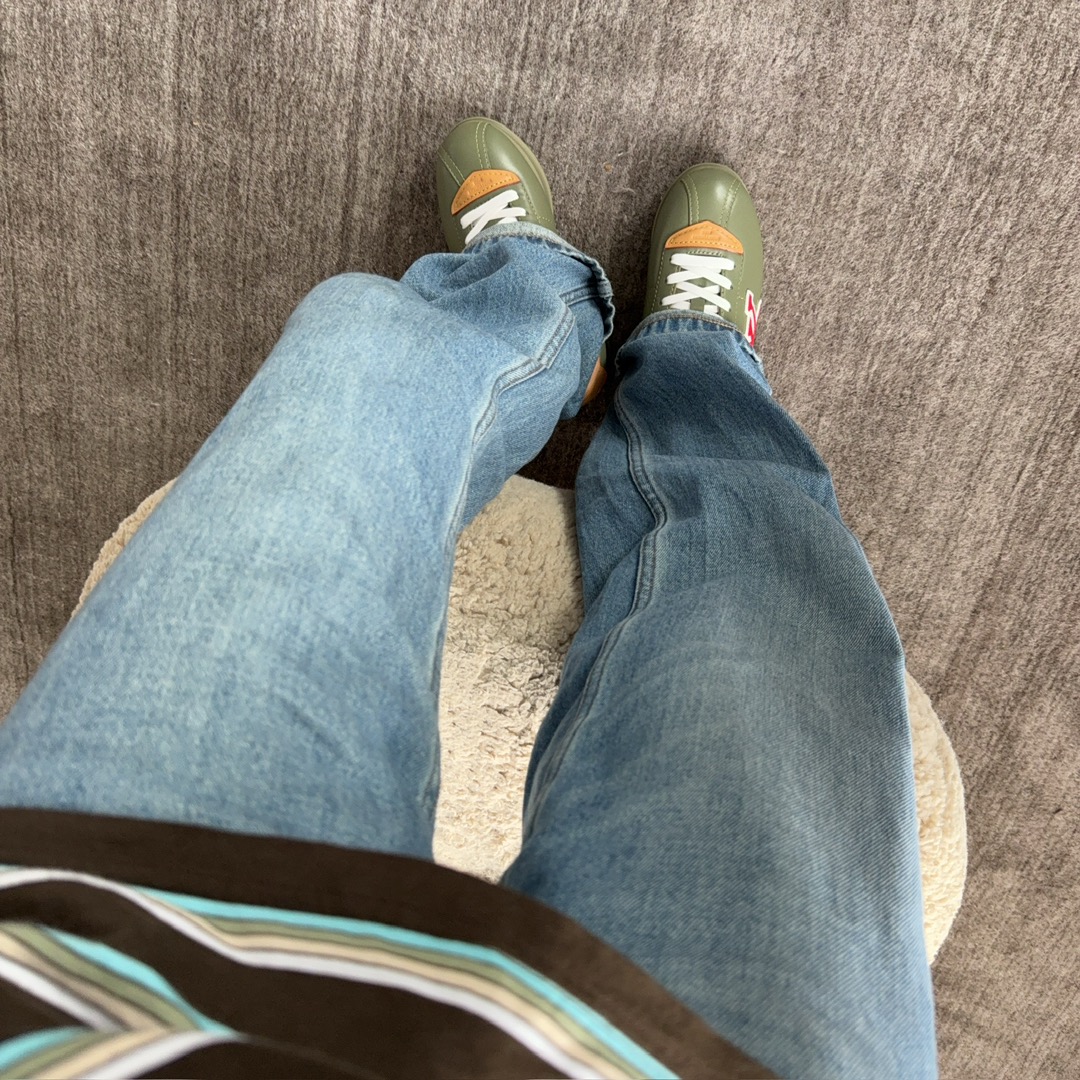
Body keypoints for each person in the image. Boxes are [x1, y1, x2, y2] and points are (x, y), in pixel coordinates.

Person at [0, 116, 937, 1079]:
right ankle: (699, 370)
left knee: (337, 401)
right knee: (773, 628)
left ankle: (527, 305)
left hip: (90, 989)